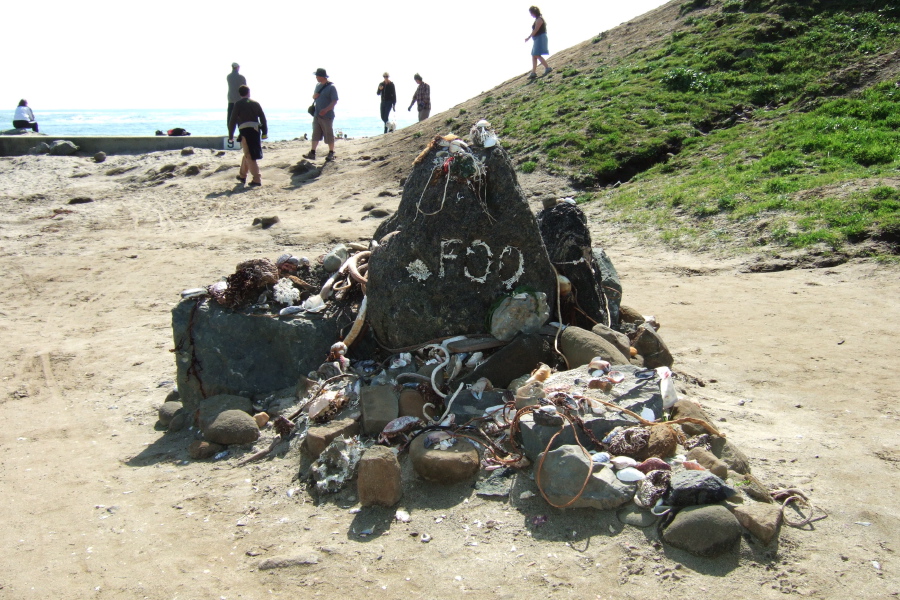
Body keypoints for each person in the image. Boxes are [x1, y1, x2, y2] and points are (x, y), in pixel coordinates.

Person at [227, 85, 268, 187]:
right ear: (249, 92)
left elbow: (233, 120)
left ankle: (257, 179)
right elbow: (263, 118)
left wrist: (231, 135)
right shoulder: (255, 103)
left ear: (240, 94)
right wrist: (264, 132)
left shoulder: (238, 104)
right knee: (248, 153)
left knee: (249, 155)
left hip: (245, 131)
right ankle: (242, 175)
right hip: (256, 130)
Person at [304, 68, 339, 161]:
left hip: (327, 115)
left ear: (322, 76)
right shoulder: (318, 85)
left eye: (317, 76)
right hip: (317, 114)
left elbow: (334, 101)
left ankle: (331, 152)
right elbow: (315, 97)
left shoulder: (331, 87)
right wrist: (314, 96)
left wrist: (326, 110)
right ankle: (312, 152)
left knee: (329, 134)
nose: (316, 77)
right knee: (315, 134)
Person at [525, 6, 552, 79]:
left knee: (536, 54)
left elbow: (536, 30)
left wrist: (528, 37)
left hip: (540, 37)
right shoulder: (537, 19)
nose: (531, 15)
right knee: (534, 55)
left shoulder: (539, 19)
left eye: (531, 13)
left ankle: (547, 68)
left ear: (534, 12)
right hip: (537, 38)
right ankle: (533, 72)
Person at [226, 62, 247, 126]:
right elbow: (245, 88)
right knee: (241, 119)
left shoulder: (229, 77)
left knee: (230, 119)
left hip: (231, 100)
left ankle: (230, 134)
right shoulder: (242, 77)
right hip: (240, 100)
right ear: (238, 68)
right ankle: (241, 134)